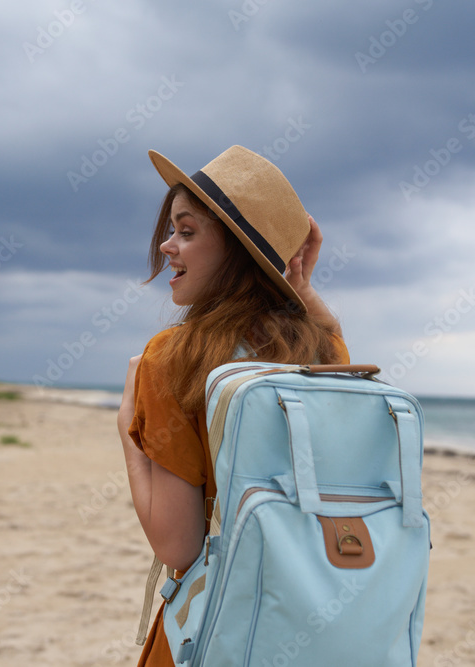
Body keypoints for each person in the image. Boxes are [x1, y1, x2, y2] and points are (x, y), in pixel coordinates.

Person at [117, 145, 351, 666]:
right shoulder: (322, 354)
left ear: (237, 253)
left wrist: (128, 438)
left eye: (187, 231)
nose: (165, 245)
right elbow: (332, 340)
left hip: (220, 628)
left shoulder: (170, 358)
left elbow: (178, 548)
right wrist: (300, 289)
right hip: (308, 621)